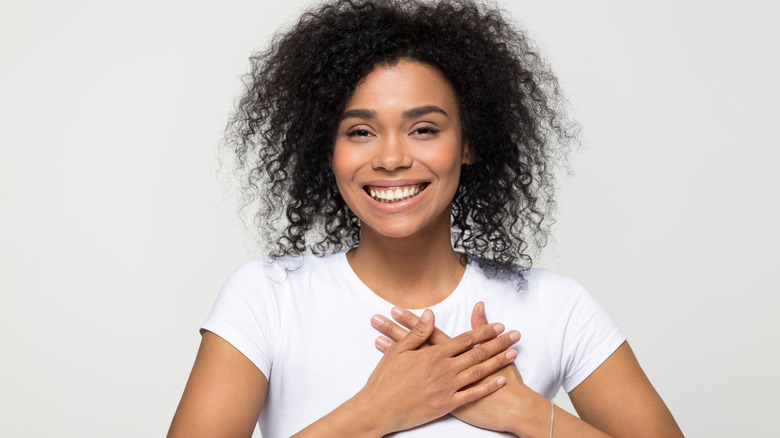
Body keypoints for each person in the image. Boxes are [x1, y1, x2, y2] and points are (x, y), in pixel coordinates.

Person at [168, 0, 684, 436]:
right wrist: (375, 411)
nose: (391, 158)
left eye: (423, 129)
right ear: (326, 152)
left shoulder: (555, 306)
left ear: (470, 144)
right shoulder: (268, 297)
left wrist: (529, 413)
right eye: (360, 132)